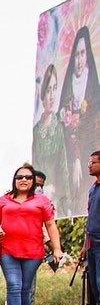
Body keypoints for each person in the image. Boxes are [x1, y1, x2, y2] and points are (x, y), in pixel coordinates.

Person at [0, 165, 63, 305]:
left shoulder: (42, 201)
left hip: (33, 251)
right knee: (14, 285)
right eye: (20, 177)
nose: (24, 180)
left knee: (25, 288)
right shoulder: (4, 200)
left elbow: (51, 225)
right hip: (8, 250)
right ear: (14, 180)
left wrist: (57, 248)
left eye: (28, 177)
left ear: (33, 182)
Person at [59, 26, 99, 216]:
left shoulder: (92, 84)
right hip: (73, 155)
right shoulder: (68, 88)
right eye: (76, 54)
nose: (80, 59)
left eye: (83, 53)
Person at [33, 65, 67, 202]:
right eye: (48, 90)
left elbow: (63, 166)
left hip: (56, 196)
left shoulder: (59, 127)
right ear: (42, 95)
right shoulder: (36, 131)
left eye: (54, 89)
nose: (51, 96)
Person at [80, 151, 100, 305]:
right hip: (92, 244)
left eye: (93, 162)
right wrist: (85, 245)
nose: (89, 165)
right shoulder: (93, 188)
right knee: (95, 285)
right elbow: (90, 217)